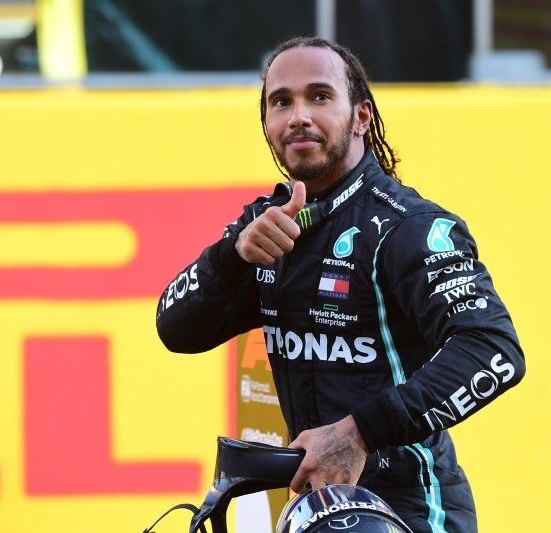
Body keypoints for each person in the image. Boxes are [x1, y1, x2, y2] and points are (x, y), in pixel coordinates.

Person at [156, 36, 526, 532]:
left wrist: (360, 434)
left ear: (361, 118)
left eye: (320, 96)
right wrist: (233, 255)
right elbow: (176, 330)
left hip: (412, 511)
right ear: (266, 123)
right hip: (314, 511)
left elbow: (494, 349)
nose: (298, 115)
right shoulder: (269, 223)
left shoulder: (405, 227)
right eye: (281, 101)